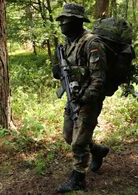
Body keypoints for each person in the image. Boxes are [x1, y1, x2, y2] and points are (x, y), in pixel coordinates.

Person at [52, 3, 110, 193]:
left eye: (66, 20)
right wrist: (58, 72)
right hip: (73, 98)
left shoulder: (92, 44)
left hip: (89, 100)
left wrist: (84, 99)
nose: (62, 24)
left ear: (77, 21)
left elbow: (98, 79)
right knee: (69, 135)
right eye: (61, 20)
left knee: (78, 142)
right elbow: (69, 72)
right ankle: (97, 151)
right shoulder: (67, 45)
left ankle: (78, 179)